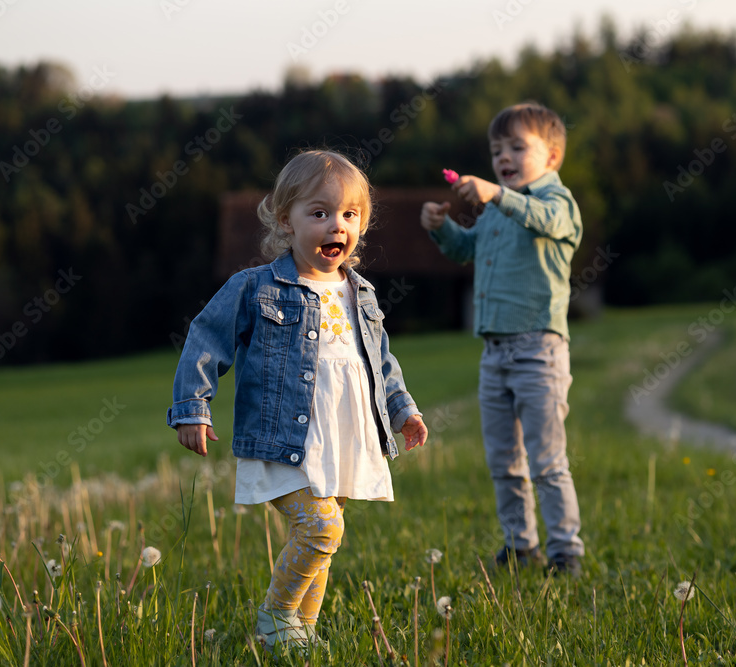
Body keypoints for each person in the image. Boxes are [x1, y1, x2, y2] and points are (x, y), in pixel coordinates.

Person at [168, 149, 429, 652]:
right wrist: (192, 407)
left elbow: (380, 362)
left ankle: (296, 640)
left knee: (326, 541)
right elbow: (206, 339)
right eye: (320, 213)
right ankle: (277, 615)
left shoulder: (362, 294)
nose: (337, 225)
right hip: (285, 438)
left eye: (349, 215)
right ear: (285, 220)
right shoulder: (257, 287)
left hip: (344, 436)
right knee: (321, 527)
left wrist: (403, 410)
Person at [420, 102, 584, 576]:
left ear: (552, 157)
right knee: (503, 460)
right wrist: (441, 227)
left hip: (539, 352)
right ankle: (519, 544)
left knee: (547, 461)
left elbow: (542, 221)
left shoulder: (557, 204)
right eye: (496, 150)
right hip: (494, 355)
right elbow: (466, 249)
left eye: (517, 147)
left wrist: (496, 194)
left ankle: (565, 550)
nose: (503, 157)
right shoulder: (495, 210)